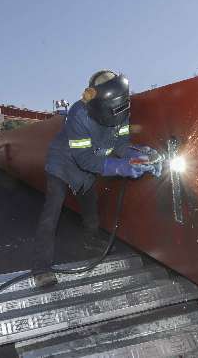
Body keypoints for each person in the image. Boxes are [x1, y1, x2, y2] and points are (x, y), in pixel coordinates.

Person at [33, 70, 160, 287]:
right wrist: (120, 168)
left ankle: (90, 242)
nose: (120, 114)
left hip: (90, 165)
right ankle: (41, 268)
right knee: (50, 214)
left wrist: (136, 155)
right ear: (99, 104)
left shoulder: (121, 112)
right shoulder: (78, 114)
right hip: (63, 163)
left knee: (90, 211)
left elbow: (120, 144)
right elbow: (83, 159)